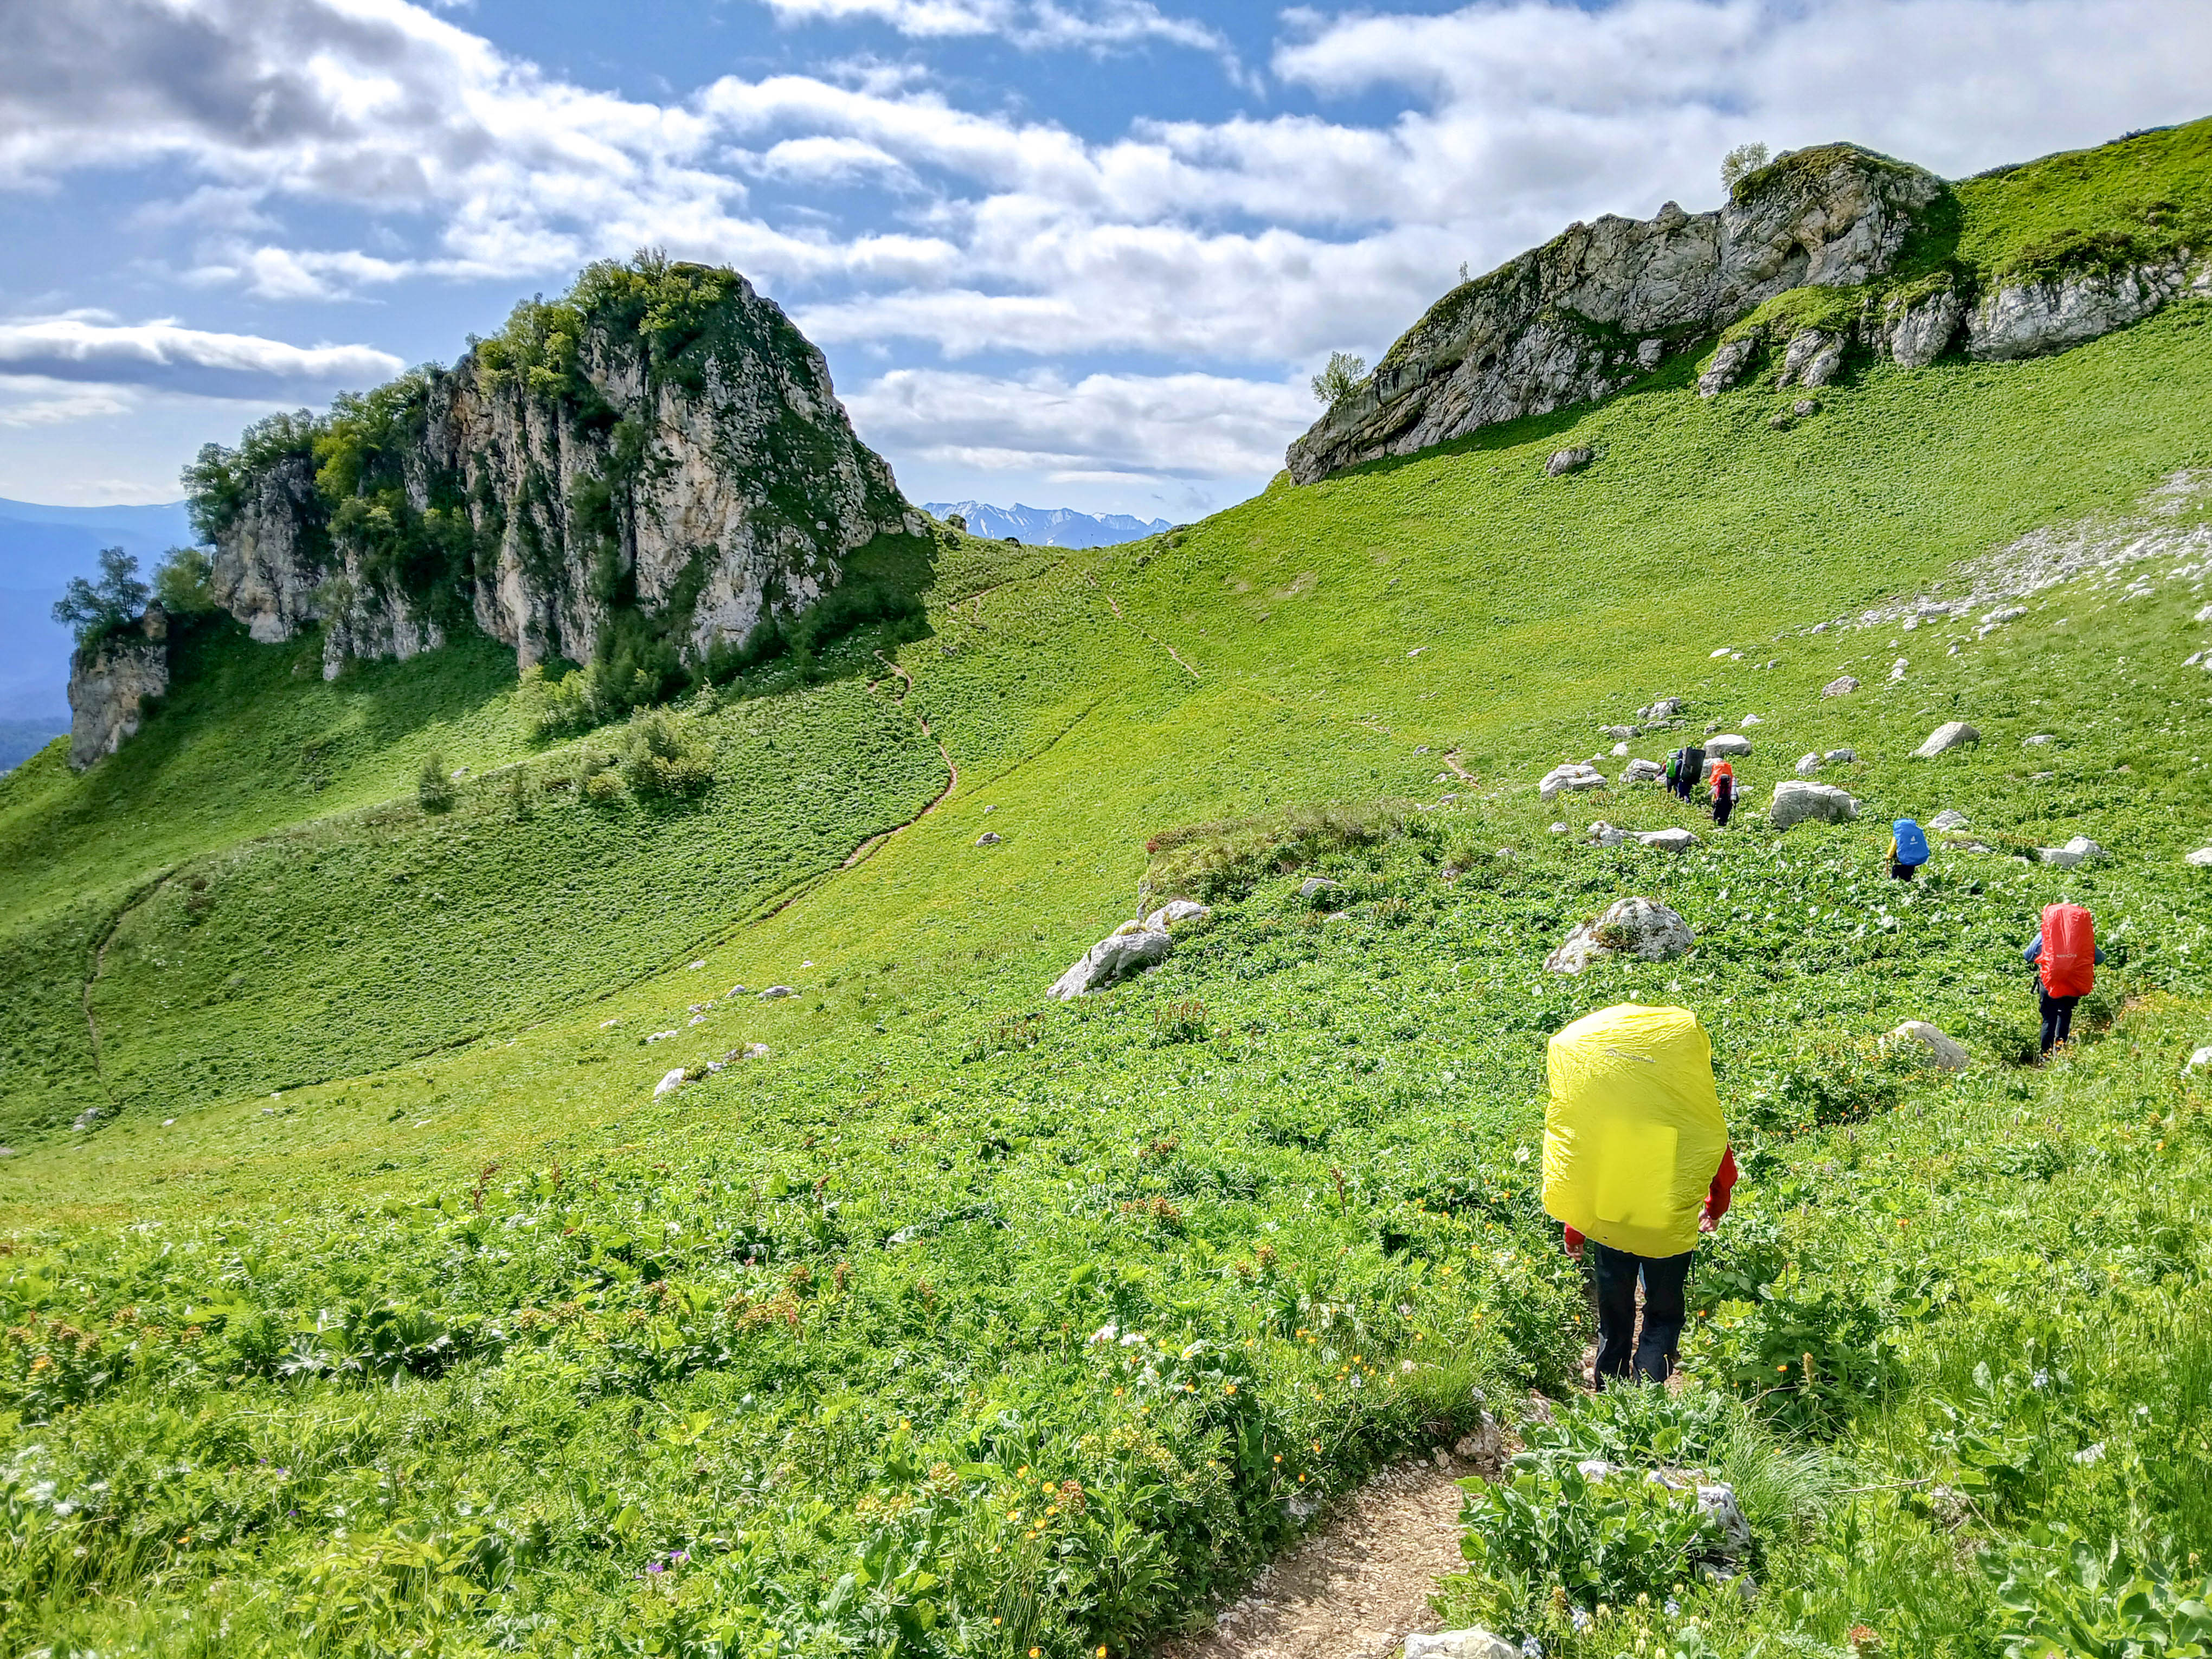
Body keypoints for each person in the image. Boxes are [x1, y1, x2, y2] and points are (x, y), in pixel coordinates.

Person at [1542, 1004, 1733, 1388]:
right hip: (1666, 1229)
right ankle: (1648, 1392)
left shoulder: (1604, 1125)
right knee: (1663, 1312)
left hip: (1613, 1222)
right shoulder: (1687, 1117)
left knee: (1614, 1313)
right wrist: (1715, 1208)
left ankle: (1610, 1390)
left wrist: (1575, 1232)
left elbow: (1582, 1175)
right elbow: (1720, 1162)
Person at [2023, 903, 2102, 1056]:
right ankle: (2060, 1051)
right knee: (2065, 1013)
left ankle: (2045, 1055)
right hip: (2074, 981)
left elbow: (2028, 955)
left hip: (2049, 980)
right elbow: (2100, 959)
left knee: (2049, 1017)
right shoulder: (2080, 937)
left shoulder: (2045, 934)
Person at [1888, 816, 1931, 882]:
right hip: (1912, 863)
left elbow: (1893, 848)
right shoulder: (1915, 834)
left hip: (1900, 863)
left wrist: (1888, 857)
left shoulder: (1898, 836)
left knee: (1895, 881)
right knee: (1908, 879)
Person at [1711, 761, 1737, 827]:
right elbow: (1737, 797)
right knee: (1724, 818)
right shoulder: (1731, 787)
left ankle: (1715, 826)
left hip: (1719, 802)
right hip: (1728, 803)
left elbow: (1710, 794)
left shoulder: (1717, 787)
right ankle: (1723, 826)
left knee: (1716, 816)